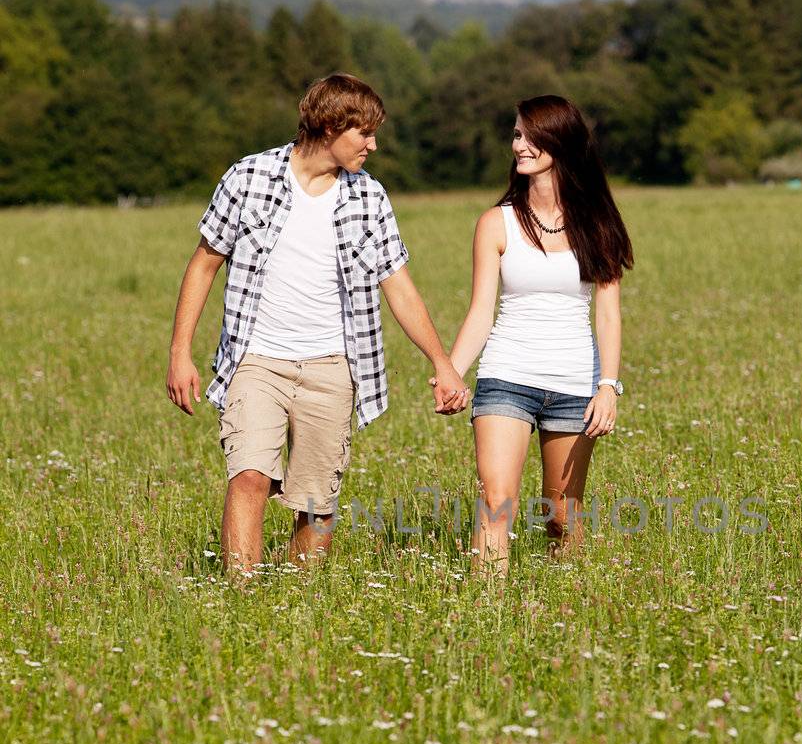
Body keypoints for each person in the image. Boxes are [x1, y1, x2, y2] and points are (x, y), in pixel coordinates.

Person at [166, 73, 468, 574]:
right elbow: (203, 263)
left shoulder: (369, 197)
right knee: (249, 477)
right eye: (364, 134)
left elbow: (399, 286)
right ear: (330, 126)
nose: (372, 145)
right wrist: (180, 354)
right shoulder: (249, 177)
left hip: (334, 366)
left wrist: (442, 362)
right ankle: (242, 602)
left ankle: (300, 603)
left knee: (316, 503)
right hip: (255, 359)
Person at [444, 95, 633, 573]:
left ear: (560, 142)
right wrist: (452, 372)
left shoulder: (598, 224)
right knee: (496, 501)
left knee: (562, 517)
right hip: (506, 376)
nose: (519, 145)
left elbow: (608, 316)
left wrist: (608, 387)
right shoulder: (496, 222)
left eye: (529, 135)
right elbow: (481, 312)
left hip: (575, 384)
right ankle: (486, 617)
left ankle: (567, 604)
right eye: (516, 134)